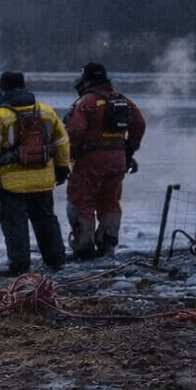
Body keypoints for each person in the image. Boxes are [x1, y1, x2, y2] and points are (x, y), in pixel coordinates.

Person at [0, 71, 70, 276]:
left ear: (3, 89)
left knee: (14, 223)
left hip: (11, 183)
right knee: (46, 219)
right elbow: (62, 141)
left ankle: (19, 265)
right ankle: (56, 261)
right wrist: (63, 167)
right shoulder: (46, 111)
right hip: (43, 180)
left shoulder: (0, 116)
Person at [63, 62, 147, 260]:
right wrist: (128, 151)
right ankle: (107, 245)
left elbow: (75, 131)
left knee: (81, 202)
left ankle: (83, 246)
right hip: (118, 160)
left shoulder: (86, 102)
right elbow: (139, 124)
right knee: (110, 203)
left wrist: (69, 156)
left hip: (90, 160)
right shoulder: (122, 100)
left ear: (86, 80)